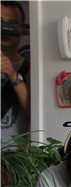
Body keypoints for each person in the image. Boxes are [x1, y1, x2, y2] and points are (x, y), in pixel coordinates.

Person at [1, 1, 30, 143]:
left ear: (22, 30)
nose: (4, 28)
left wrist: (13, 75)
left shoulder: (31, 69)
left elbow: (36, 112)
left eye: (12, 24)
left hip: (15, 154)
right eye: (0, 22)